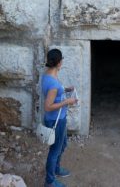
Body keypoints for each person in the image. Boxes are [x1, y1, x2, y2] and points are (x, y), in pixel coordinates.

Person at [42, 48, 77, 187]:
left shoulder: (49, 75)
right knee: (54, 151)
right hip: (55, 121)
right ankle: (49, 181)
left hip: (58, 118)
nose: (62, 62)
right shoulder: (53, 84)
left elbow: (56, 91)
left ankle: (55, 169)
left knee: (62, 145)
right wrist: (67, 102)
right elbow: (48, 106)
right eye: (61, 60)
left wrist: (66, 89)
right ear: (58, 62)